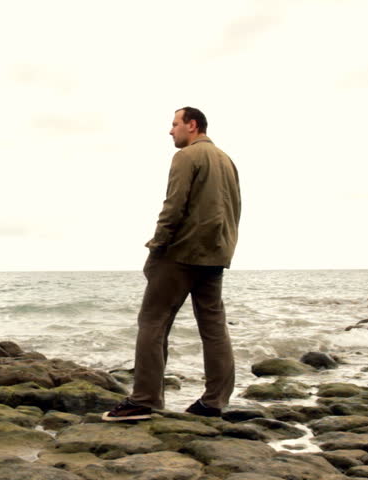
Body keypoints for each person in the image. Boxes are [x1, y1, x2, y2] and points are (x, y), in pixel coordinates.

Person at [103, 107, 241, 421]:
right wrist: (224, 248)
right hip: (216, 253)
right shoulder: (226, 160)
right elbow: (235, 208)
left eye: (175, 124)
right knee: (214, 327)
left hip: (182, 252)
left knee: (152, 322)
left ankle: (145, 399)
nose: (171, 131)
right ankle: (214, 402)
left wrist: (157, 246)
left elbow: (174, 205)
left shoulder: (187, 157)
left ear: (192, 126)